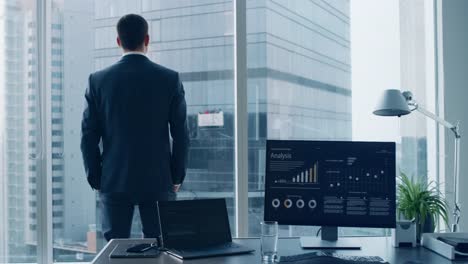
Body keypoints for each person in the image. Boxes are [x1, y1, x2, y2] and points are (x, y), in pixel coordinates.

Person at [80, 14, 189, 241]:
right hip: (159, 179)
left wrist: (97, 179)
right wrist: (176, 176)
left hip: (114, 178)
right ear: (147, 39)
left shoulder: (98, 81)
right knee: (162, 247)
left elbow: (88, 136)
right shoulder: (170, 79)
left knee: (115, 249)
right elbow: (180, 135)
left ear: (118, 41)